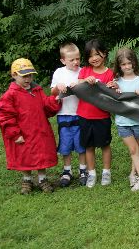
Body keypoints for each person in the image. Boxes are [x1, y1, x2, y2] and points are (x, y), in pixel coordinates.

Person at [0, 58, 61, 194]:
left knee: (41, 155)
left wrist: (55, 99)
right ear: (14, 75)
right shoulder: (10, 95)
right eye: (24, 76)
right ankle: (27, 180)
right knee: (25, 156)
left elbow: (46, 108)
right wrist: (14, 133)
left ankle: (43, 179)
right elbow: (5, 116)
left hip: (40, 130)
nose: (27, 79)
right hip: (23, 133)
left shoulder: (37, 90)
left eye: (30, 75)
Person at [75, 39, 115, 188]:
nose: (94, 58)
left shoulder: (110, 73)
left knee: (105, 145)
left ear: (104, 54)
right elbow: (76, 86)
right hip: (84, 116)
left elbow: (113, 94)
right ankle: (91, 173)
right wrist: (85, 80)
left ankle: (106, 172)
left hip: (102, 116)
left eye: (97, 54)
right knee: (88, 146)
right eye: (90, 56)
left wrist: (113, 86)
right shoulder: (84, 71)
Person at [112, 48, 139, 191]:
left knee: (137, 150)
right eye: (123, 64)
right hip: (123, 122)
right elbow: (112, 98)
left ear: (134, 62)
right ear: (119, 66)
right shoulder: (117, 82)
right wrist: (113, 90)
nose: (127, 67)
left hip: (138, 121)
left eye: (129, 63)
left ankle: (132, 173)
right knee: (134, 150)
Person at [50, 43, 86, 187]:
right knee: (65, 144)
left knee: (81, 143)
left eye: (77, 59)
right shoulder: (59, 73)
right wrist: (59, 87)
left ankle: (83, 169)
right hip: (64, 114)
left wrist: (80, 83)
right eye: (71, 60)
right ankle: (67, 170)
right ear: (63, 60)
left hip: (81, 113)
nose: (75, 62)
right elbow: (52, 91)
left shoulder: (83, 71)